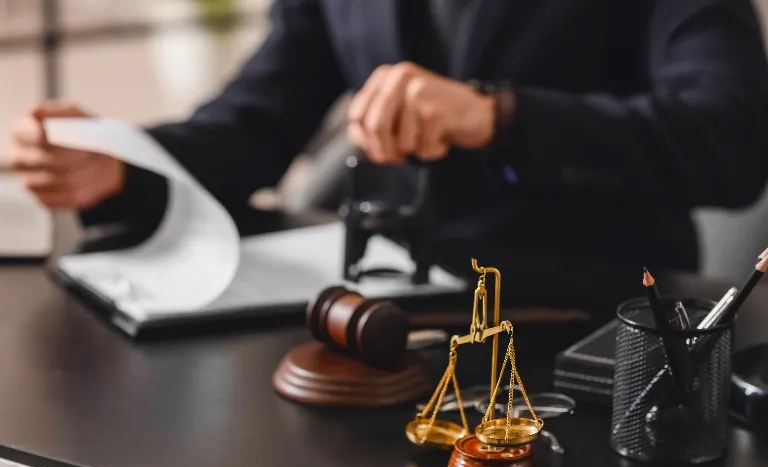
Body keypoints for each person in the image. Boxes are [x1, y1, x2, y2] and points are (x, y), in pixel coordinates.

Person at [10, 0, 768, 274]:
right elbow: (254, 122)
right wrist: (122, 166)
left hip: (595, 330)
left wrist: (499, 116)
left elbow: (732, 140)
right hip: (393, 322)